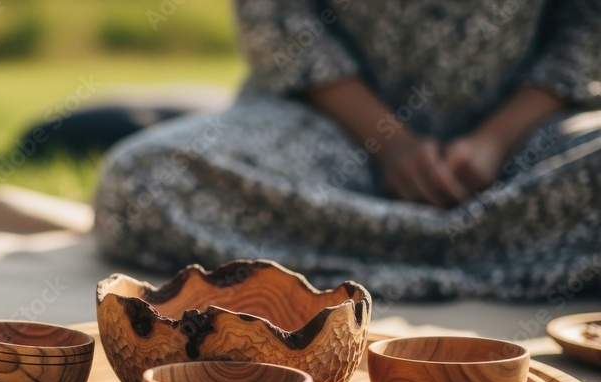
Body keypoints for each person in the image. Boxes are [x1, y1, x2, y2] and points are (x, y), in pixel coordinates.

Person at [93, 0, 601, 299]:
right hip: (328, 128)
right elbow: (276, 17)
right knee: (140, 183)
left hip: (529, 134)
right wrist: (391, 143)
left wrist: (495, 139)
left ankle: (389, 253)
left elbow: (586, 26)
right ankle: (499, 250)